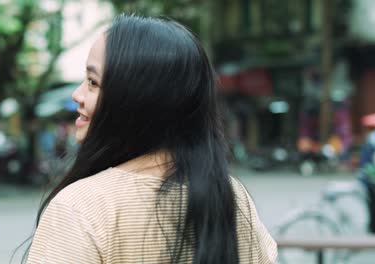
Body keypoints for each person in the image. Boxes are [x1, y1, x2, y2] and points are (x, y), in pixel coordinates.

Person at [26, 15, 277, 263]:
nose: (77, 94)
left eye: (92, 82)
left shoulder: (81, 208)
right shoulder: (230, 195)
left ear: (136, 99)